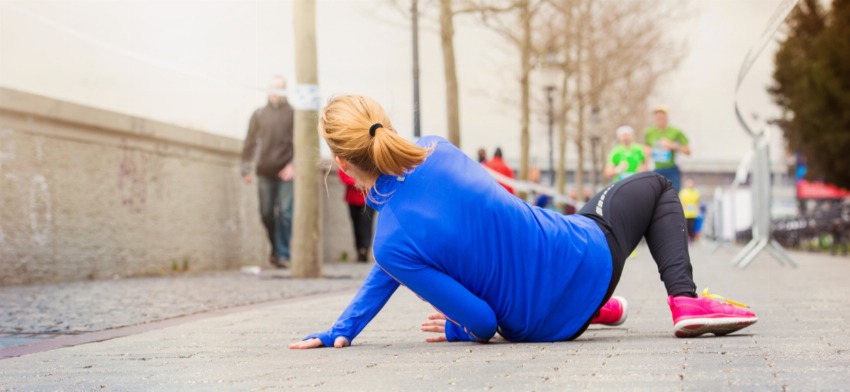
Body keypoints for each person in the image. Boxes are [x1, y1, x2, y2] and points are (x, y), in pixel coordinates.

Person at [290, 95, 756, 350]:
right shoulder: (438, 148)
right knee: (655, 185)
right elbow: (396, 258)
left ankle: (598, 310)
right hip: (587, 260)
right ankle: (685, 302)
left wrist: (343, 329)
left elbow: (481, 321)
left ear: (340, 162)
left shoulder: (390, 243)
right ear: (385, 126)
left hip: (541, 327)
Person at [241, 75, 295, 269]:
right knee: (266, 213)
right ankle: (275, 248)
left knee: (285, 212)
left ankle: (282, 254)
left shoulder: (293, 114)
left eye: (279, 88)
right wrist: (246, 168)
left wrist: (293, 165)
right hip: (264, 171)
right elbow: (249, 142)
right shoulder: (259, 114)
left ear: (285, 90)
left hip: (286, 171)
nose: (275, 92)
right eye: (272, 88)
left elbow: (303, 143)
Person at [644, 105, 691, 191]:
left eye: (662, 115)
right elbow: (646, 149)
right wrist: (647, 152)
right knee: (656, 195)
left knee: (673, 194)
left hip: (672, 169)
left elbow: (688, 151)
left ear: (666, 116)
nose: (660, 118)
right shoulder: (649, 132)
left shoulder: (676, 131)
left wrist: (673, 146)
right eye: (657, 116)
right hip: (656, 169)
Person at [339, 168, 375, 262]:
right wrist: (357, 183)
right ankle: (359, 249)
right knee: (356, 224)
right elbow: (342, 174)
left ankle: (364, 249)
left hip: (368, 198)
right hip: (353, 198)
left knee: (366, 224)